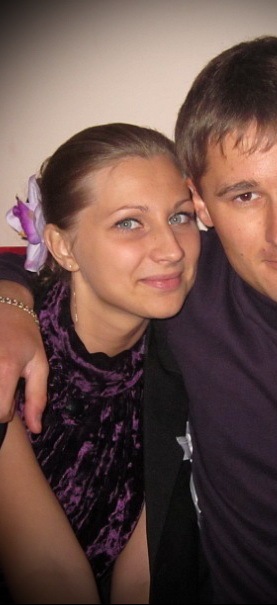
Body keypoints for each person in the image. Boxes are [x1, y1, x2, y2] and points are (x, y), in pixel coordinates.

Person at [1, 36, 277, 603]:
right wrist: (10, 302)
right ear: (206, 205)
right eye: (244, 195)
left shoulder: (181, 283)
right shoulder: (182, 283)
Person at [0, 123, 210, 604]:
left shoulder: (182, 362)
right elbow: (48, 572)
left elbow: (143, 573)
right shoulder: (14, 356)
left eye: (180, 217)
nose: (172, 249)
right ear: (63, 246)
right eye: (129, 223)